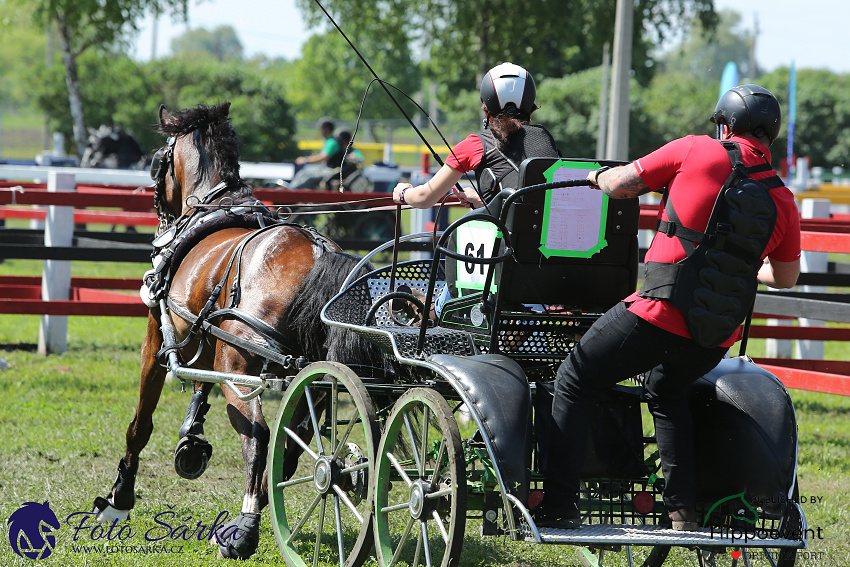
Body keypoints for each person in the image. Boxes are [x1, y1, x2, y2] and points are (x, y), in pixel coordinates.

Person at [536, 84, 801, 531]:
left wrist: (596, 179)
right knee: (666, 389)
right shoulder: (783, 200)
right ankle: (681, 510)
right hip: (712, 338)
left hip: (657, 313)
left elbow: (623, 186)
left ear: (725, 125)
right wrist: (734, 269)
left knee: (576, 376)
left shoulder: (697, 149)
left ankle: (559, 503)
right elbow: (785, 278)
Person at [392, 62, 560, 210]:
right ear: (530, 106)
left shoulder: (476, 144)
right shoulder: (545, 138)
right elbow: (533, 205)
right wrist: (482, 202)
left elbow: (424, 198)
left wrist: (403, 193)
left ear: (486, 108)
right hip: (550, 244)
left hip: (504, 244)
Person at [290, 118, 345, 189]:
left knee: (308, 176)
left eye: (321, 128)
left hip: (332, 170)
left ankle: (292, 192)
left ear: (327, 129)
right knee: (303, 173)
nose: (320, 131)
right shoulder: (327, 141)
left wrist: (305, 160)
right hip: (325, 168)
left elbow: (323, 157)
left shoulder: (333, 142)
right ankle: (290, 189)